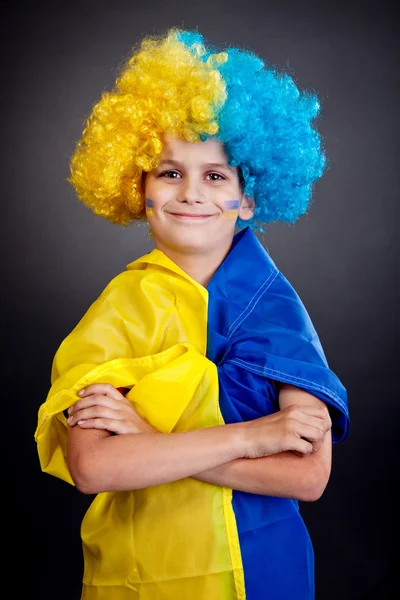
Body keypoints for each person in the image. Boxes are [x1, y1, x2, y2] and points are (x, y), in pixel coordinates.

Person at [35, 28, 350, 600]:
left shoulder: (277, 312)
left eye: (215, 176)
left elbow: (307, 475)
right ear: (140, 187)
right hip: (139, 573)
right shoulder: (119, 309)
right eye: (170, 172)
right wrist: (253, 438)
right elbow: (94, 468)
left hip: (263, 572)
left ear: (247, 198)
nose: (191, 194)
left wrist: (150, 440)